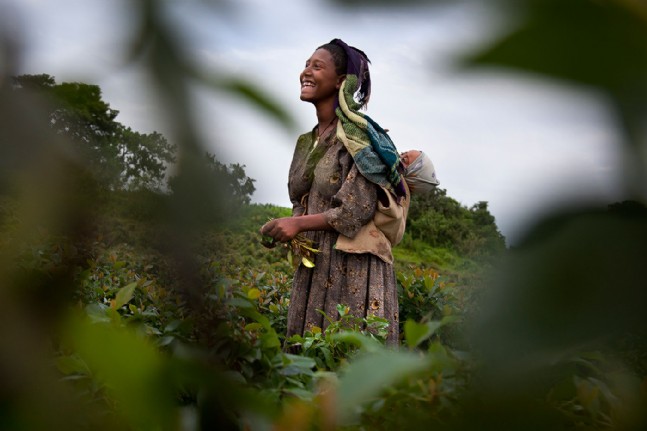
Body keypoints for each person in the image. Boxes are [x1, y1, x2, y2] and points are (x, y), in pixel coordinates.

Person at [260, 39, 406, 346]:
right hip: (315, 264)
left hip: (352, 266)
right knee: (307, 363)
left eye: (317, 66)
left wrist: (298, 224)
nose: (306, 72)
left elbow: (356, 210)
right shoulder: (307, 141)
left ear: (341, 81)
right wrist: (287, 226)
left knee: (343, 358)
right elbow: (300, 198)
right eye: (305, 64)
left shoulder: (358, 136)